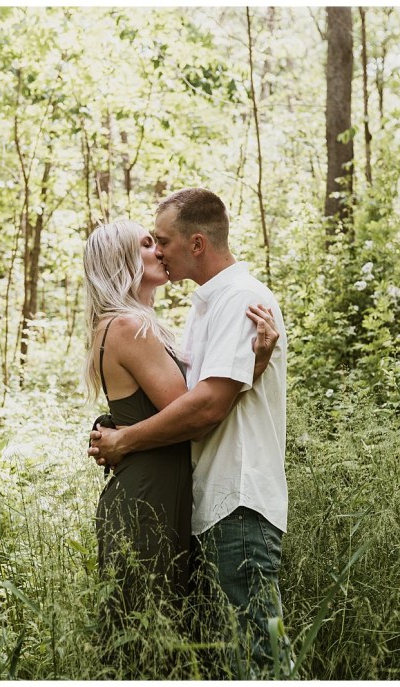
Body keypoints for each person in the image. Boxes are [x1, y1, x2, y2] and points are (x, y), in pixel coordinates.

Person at [89, 188, 288, 676]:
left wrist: (123, 437)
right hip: (180, 499)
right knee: (169, 648)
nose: (158, 251)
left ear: (196, 243)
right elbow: (193, 405)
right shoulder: (162, 319)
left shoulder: (237, 300)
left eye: (161, 241)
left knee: (248, 656)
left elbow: (200, 407)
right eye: (146, 244)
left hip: (232, 498)